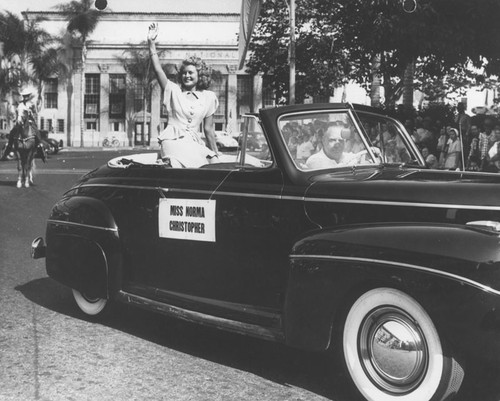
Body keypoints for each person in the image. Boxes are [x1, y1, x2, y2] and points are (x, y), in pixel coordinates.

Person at [147, 22, 219, 167]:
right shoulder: (173, 90)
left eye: (190, 73)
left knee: (213, 163)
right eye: (184, 73)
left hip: (194, 142)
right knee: (179, 163)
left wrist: (216, 153)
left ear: (200, 74)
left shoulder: (209, 97)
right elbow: (158, 70)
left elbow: (208, 130)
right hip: (172, 142)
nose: (186, 76)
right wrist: (151, 44)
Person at [1, 88, 46, 162]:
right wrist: (15, 119)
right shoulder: (20, 105)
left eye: (27, 96)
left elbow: (35, 113)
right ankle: (8, 148)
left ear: (28, 96)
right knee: (12, 132)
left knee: (36, 131)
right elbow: (17, 113)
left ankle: (40, 147)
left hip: (30, 121)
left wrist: (32, 118)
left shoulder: (31, 104)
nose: (25, 97)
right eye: (24, 96)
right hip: (20, 121)